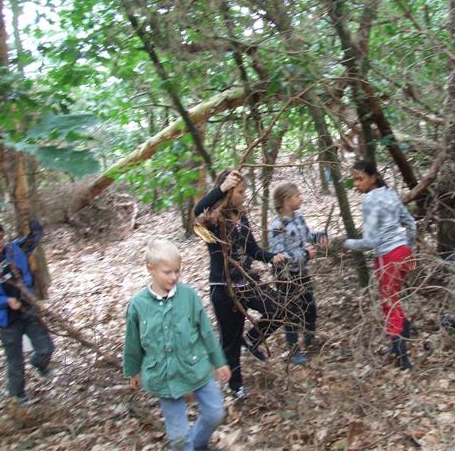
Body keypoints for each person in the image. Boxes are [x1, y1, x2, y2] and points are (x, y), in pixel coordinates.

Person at [123, 239, 230, 451]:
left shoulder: (188, 297)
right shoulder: (138, 305)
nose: (174, 277)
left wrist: (219, 362)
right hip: (164, 377)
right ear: (150, 269)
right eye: (167, 272)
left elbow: (206, 332)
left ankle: (198, 443)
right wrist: (132, 370)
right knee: (179, 439)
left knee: (215, 413)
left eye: (177, 271)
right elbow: (132, 341)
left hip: (195, 368)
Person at [193, 169, 287, 400]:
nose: (245, 196)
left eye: (245, 191)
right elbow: (198, 210)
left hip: (247, 282)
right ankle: (236, 387)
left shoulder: (242, 218)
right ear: (228, 192)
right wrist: (222, 188)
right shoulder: (213, 219)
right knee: (230, 340)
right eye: (240, 192)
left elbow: (252, 249)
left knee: (279, 307)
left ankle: (252, 339)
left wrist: (271, 257)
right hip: (223, 287)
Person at [343, 161, 416, 370]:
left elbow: (370, 242)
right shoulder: (390, 194)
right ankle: (398, 346)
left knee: (389, 303)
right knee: (395, 299)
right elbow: (411, 223)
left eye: (360, 179)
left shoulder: (370, 200)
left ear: (373, 178)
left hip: (388, 257)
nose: (357, 184)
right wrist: (409, 248)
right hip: (403, 253)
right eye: (354, 180)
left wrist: (347, 244)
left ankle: (403, 359)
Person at [0, 218, 54, 404]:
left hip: (28, 310)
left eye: (0, 237)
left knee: (46, 347)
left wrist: (32, 218)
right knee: (15, 361)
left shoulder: (14, 250)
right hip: (8, 320)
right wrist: (5, 301)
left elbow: (34, 238)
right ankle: (17, 396)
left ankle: (39, 363)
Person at [268, 183, 328, 365]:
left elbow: (307, 236)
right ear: (286, 200)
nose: (301, 198)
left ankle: (309, 339)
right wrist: (305, 254)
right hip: (285, 276)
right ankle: (294, 351)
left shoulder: (299, 217)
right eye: (297, 196)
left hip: (302, 272)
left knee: (310, 307)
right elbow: (279, 256)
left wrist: (319, 236)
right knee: (291, 313)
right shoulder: (277, 225)